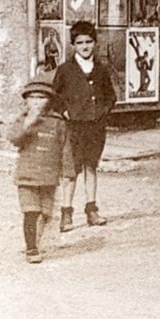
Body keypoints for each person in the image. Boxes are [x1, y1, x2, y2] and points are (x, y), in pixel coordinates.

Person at [54, 20, 116, 231]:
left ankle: (91, 210)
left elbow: (111, 96)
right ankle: (66, 214)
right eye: (80, 43)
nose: (85, 46)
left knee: (91, 166)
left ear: (95, 43)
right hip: (73, 128)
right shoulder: (65, 70)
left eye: (89, 42)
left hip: (95, 128)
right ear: (73, 45)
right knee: (71, 171)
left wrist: (102, 112)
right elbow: (55, 97)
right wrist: (65, 111)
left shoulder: (101, 70)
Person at [10, 72, 69, 264]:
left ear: (50, 100)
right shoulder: (22, 120)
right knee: (30, 211)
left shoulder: (57, 122)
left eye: (41, 97)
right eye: (32, 97)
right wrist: (28, 123)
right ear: (26, 100)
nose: (36, 102)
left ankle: (37, 241)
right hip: (27, 176)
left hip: (49, 176)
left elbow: (65, 147)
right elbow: (15, 139)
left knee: (46, 213)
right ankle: (31, 249)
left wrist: (68, 171)